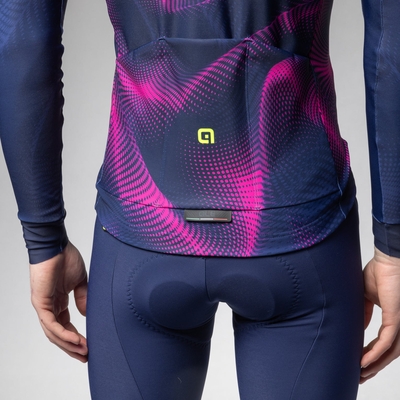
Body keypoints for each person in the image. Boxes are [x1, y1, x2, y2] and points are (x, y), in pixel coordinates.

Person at [1, 0, 400, 399]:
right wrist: (393, 247)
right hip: (297, 227)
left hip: (143, 226)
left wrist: (44, 239)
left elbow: (21, 41)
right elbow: (392, 46)